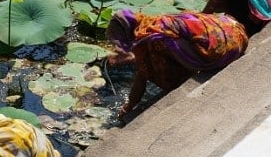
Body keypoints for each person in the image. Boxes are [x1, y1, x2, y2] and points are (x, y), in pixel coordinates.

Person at [106, 9, 248, 119]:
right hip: (235, 31)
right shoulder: (155, 22)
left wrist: (129, 107)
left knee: (151, 64)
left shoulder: (153, 40)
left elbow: (142, 76)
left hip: (227, 50)